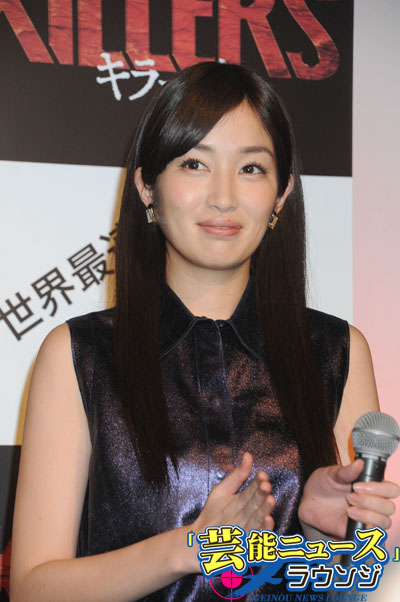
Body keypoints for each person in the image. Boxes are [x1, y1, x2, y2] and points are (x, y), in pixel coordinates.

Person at [10, 62, 398, 602]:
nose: (223, 197)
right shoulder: (81, 354)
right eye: (195, 163)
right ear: (147, 186)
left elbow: (364, 579)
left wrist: (319, 535)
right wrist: (190, 548)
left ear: (281, 194)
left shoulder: (335, 351)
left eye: (252, 168)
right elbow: (33, 588)